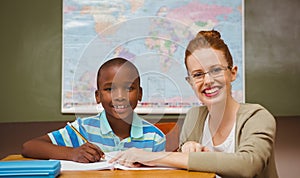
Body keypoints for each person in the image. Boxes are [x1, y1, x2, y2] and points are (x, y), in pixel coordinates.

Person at [109, 30, 278, 178]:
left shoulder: (257, 117)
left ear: (232, 73)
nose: (208, 81)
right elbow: (186, 167)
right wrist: (185, 149)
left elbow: (247, 166)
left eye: (216, 70)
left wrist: (151, 157)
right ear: (190, 82)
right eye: (198, 74)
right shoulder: (194, 117)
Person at [21, 57, 166, 163]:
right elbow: (29, 147)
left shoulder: (155, 138)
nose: (120, 96)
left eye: (129, 88)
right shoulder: (82, 129)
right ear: (98, 96)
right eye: (110, 89)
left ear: (140, 94)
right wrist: (73, 153)